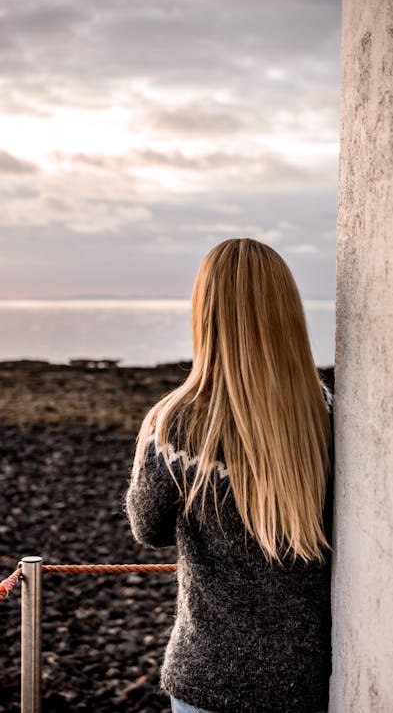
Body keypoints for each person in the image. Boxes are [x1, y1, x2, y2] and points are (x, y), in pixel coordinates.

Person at [125, 238, 334, 713]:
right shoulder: (324, 412)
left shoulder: (177, 424)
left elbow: (147, 528)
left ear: (206, 312)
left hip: (210, 677)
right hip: (307, 678)